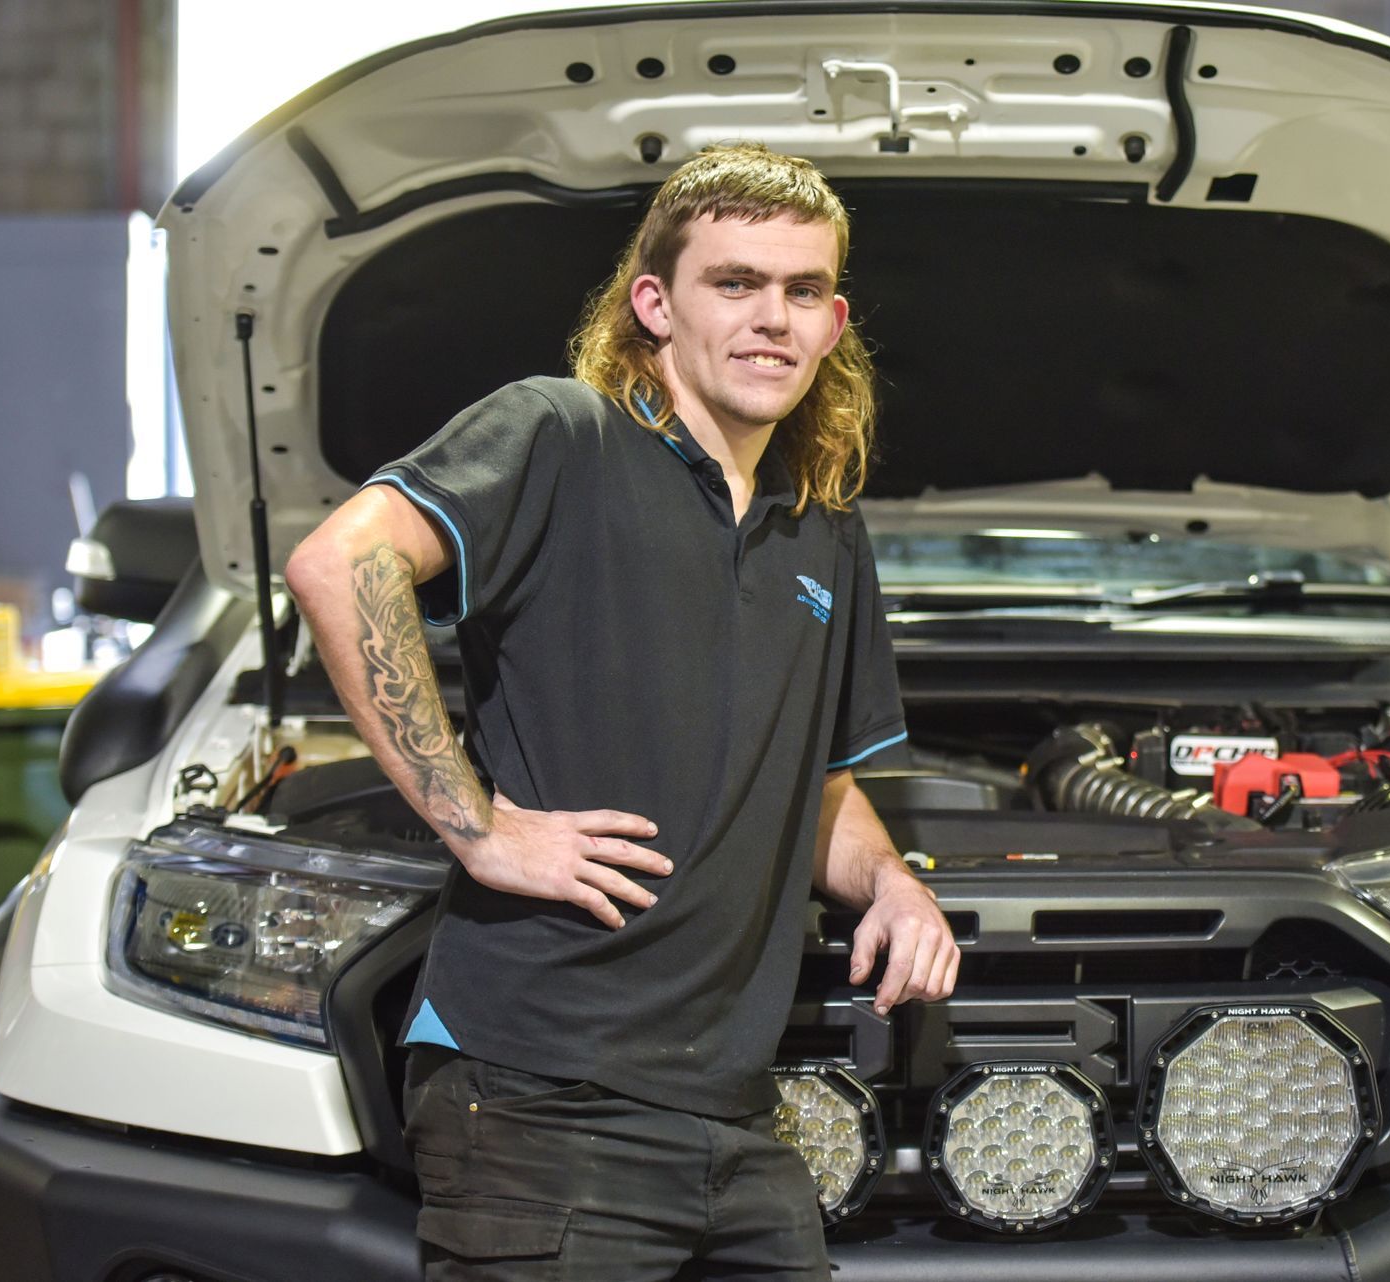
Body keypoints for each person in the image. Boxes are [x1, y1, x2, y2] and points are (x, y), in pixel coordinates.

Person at [284, 141, 958, 1281]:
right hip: (540, 1093)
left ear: (834, 323)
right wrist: (479, 826)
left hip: (736, 1114)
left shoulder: (822, 524)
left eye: (802, 291)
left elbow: (814, 782)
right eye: (735, 283)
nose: (773, 318)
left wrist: (891, 882)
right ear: (656, 304)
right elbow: (339, 564)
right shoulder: (562, 434)